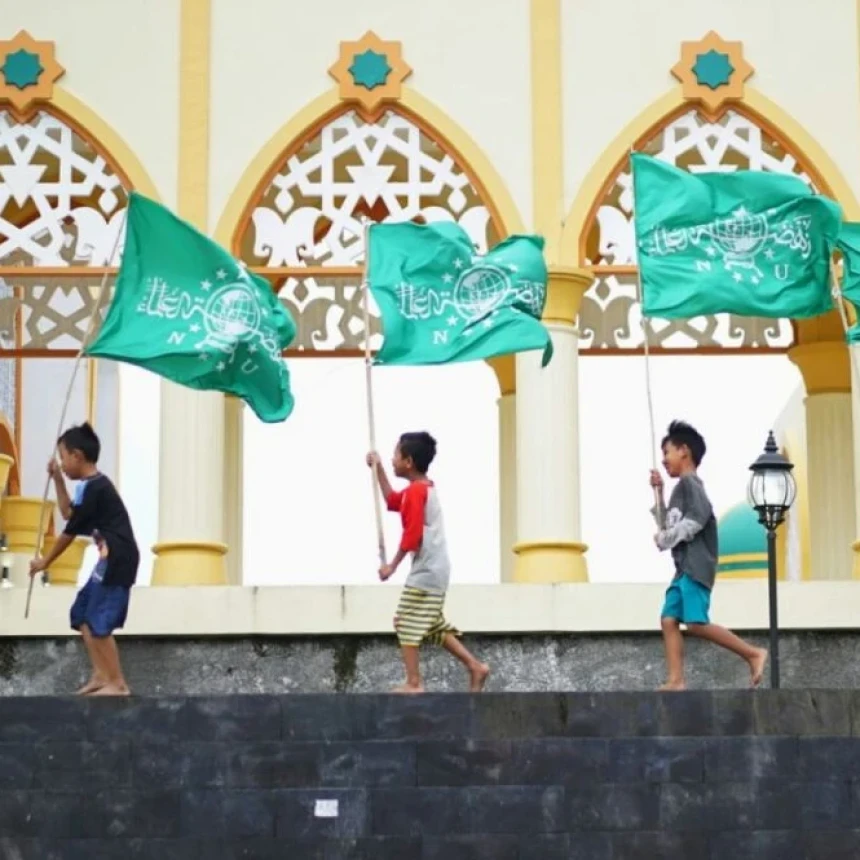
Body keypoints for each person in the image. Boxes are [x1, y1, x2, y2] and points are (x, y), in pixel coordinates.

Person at [367, 431, 489, 694]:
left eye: (395, 455)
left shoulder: (416, 493)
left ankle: (414, 682)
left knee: (405, 621)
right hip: (435, 568)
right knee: (432, 624)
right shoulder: (420, 490)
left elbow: (412, 536)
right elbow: (391, 501)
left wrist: (392, 566)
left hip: (427, 570)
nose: (392, 459)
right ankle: (475, 667)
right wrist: (378, 470)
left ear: (408, 461)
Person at [651, 420, 768, 691]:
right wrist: (658, 492)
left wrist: (666, 539)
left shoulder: (691, 484)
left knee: (695, 623)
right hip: (682, 571)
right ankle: (676, 680)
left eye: (667, 453)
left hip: (695, 568)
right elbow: (667, 525)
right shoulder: (680, 489)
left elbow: (696, 519)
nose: (664, 461)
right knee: (668, 619)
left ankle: (752, 653)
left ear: (684, 451)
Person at [30, 422, 139, 696]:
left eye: (63, 457)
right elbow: (68, 513)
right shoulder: (86, 487)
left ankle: (117, 683)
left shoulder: (97, 488)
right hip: (107, 557)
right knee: (81, 614)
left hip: (118, 557)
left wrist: (45, 562)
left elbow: (69, 532)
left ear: (77, 456)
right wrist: (57, 478)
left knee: (99, 619)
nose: (63, 464)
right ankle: (101, 676)